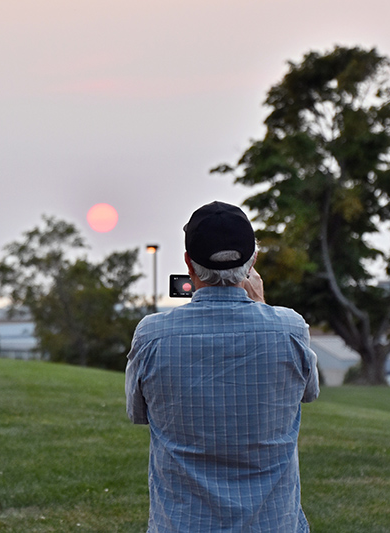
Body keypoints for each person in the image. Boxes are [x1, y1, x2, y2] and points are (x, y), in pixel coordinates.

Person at [126, 201, 319, 532]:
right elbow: (309, 393)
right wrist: (262, 306)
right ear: (252, 260)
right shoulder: (290, 329)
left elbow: (137, 413)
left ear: (188, 262)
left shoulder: (151, 335)